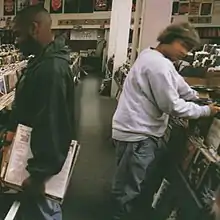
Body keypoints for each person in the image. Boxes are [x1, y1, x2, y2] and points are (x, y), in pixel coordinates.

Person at [111, 22, 220, 220]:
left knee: (133, 182)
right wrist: (205, 110)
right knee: (128, 188)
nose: (185, 53)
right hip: (137, 135)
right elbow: (172, 106)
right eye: (183, 46)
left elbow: (178, 84)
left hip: (137, 131)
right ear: (170, 39)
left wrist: (197, 97)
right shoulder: (158, 65)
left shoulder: (154, 57)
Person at [4, 5, 75, 220]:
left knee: (45, 212)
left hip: (40, 171)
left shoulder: (50, 69)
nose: (15, 41)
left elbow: (52, 123)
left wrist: (38, 175)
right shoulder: (43, 62)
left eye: (17, 34)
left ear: (34, 28)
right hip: (34, 159)